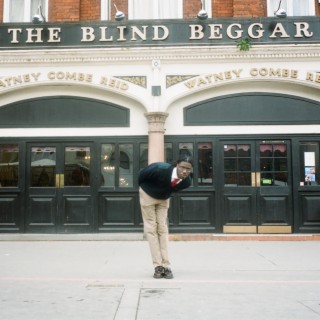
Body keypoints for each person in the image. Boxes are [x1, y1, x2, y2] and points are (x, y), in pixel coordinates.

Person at [138, 156, 193, 279]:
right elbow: (141, 175)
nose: (185, 171)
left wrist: (163, 193)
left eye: (188, 169)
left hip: (163, 198)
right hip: (147, 194)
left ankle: (166, 265)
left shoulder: (187, 181)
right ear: (176, 165)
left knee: (162, 229)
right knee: (151, 229)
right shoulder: (159, 169)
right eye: (182, 167)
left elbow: (173, 189)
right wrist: (144, 189)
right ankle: (157, 266)